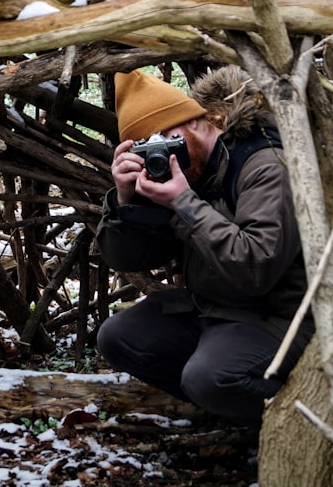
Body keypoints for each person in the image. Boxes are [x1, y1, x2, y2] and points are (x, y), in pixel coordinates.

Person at [95, 66, 314, 429]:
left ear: (196, 120)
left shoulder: (264, 164)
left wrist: (183, 202)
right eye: (150, 146)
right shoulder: (184, 173)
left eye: (169, 138)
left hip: (279, 316)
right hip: (216, 310)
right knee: (118, 337)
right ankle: (233, 408)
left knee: (209, 377)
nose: (165, 154)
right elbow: (127, 259)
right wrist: (124, 200)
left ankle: (294, 427)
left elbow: (256, 268)